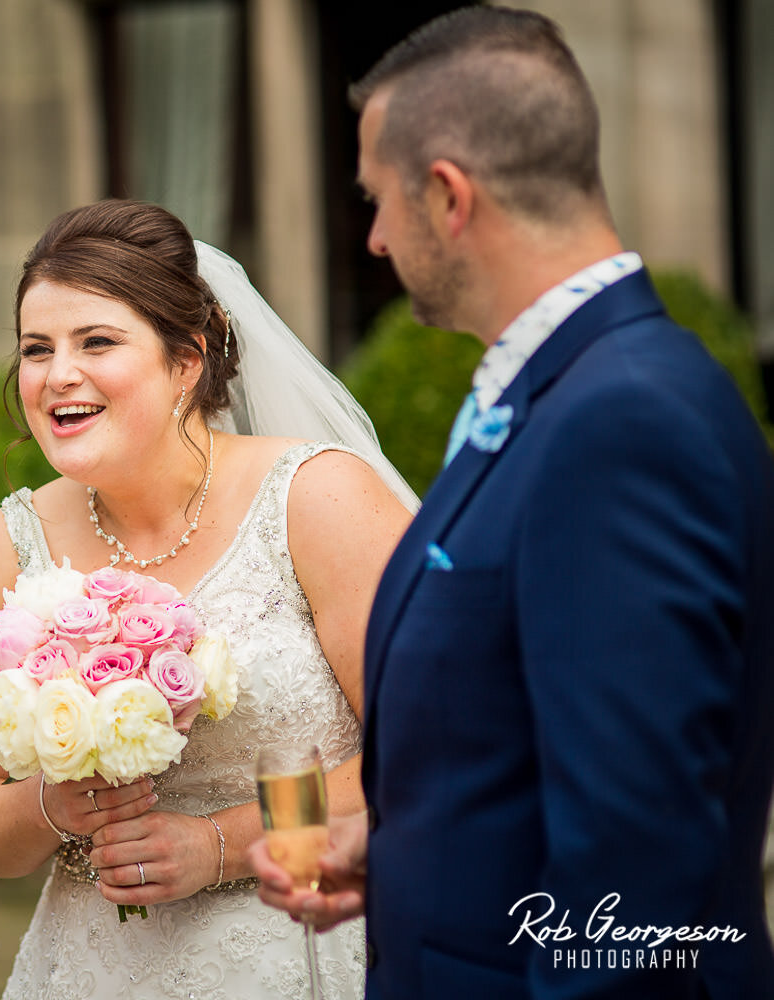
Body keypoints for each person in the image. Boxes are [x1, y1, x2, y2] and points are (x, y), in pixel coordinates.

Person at [250, 8, 774, 998]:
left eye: (376, 202)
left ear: (448, 196)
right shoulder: (568, 390)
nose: (370, 239)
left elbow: (636, 869)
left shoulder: (621, 422)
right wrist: (405, 858)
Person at [0, 198, 415, 999]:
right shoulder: (0, 547)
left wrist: (221, 844)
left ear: (187, 359)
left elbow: (426, 755)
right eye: (35, 349)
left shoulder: (316, 499)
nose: (58, 375)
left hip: (306, 949)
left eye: (97, 341)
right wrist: (58, 804)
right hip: (91, 968)